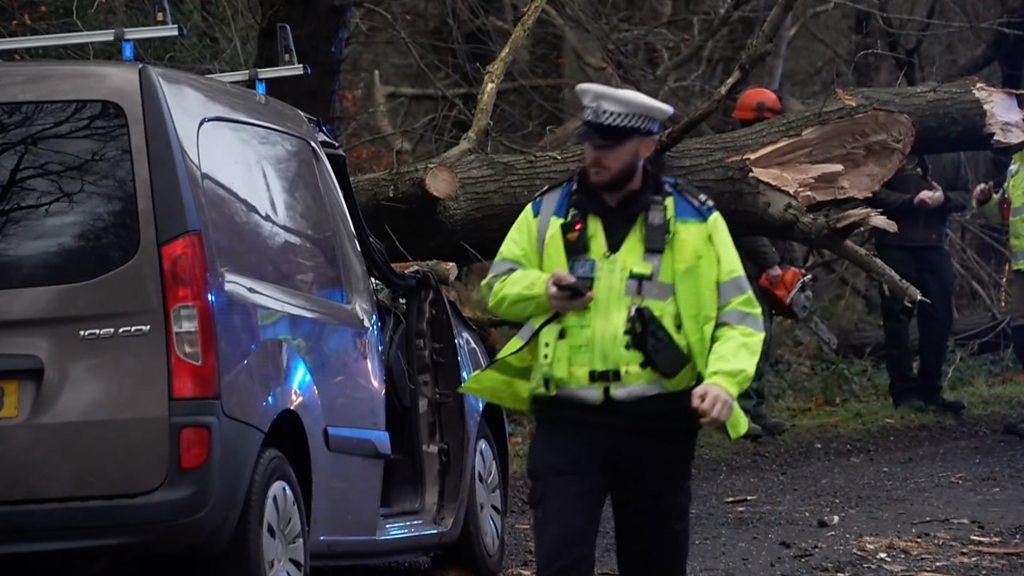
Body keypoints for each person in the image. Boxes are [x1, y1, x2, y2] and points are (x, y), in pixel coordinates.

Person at [460, 83, 764, 575]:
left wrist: (723, 382)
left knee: (655, 562)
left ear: (646, 146)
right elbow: (497, 288)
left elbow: (740, 316)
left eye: (609, 145)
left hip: (659, 421)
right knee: (561, 561)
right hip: (567, 420)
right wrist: (543, 290)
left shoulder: (694, 219)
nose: (594, 155)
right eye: (589, 142)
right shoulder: (548, 211)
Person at [870, 155, 968, 413]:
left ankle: (931, 390)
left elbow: (964, 195)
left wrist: (943, 199)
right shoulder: (891, 146)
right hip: (894, 243)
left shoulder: (951, 153)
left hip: (934, 245)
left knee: (939, 317)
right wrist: (910, 202)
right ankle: (904, 393)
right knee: (897, 319)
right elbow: (871, 191)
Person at [732, 87, 791, 438]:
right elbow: (745, 222)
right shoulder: (740, 163)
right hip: (742, 265)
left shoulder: (769, 159)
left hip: (762, 263)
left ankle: (755, 406)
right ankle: (741, 412)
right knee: (749, 338)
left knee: (763, 340)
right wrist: (772, 263)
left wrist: (790, 261)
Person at [973, 149, 1024, 438]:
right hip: (1020, 266)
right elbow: (1004, 213)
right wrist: (985, 202)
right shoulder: (1016, 164)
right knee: (1021, 337)